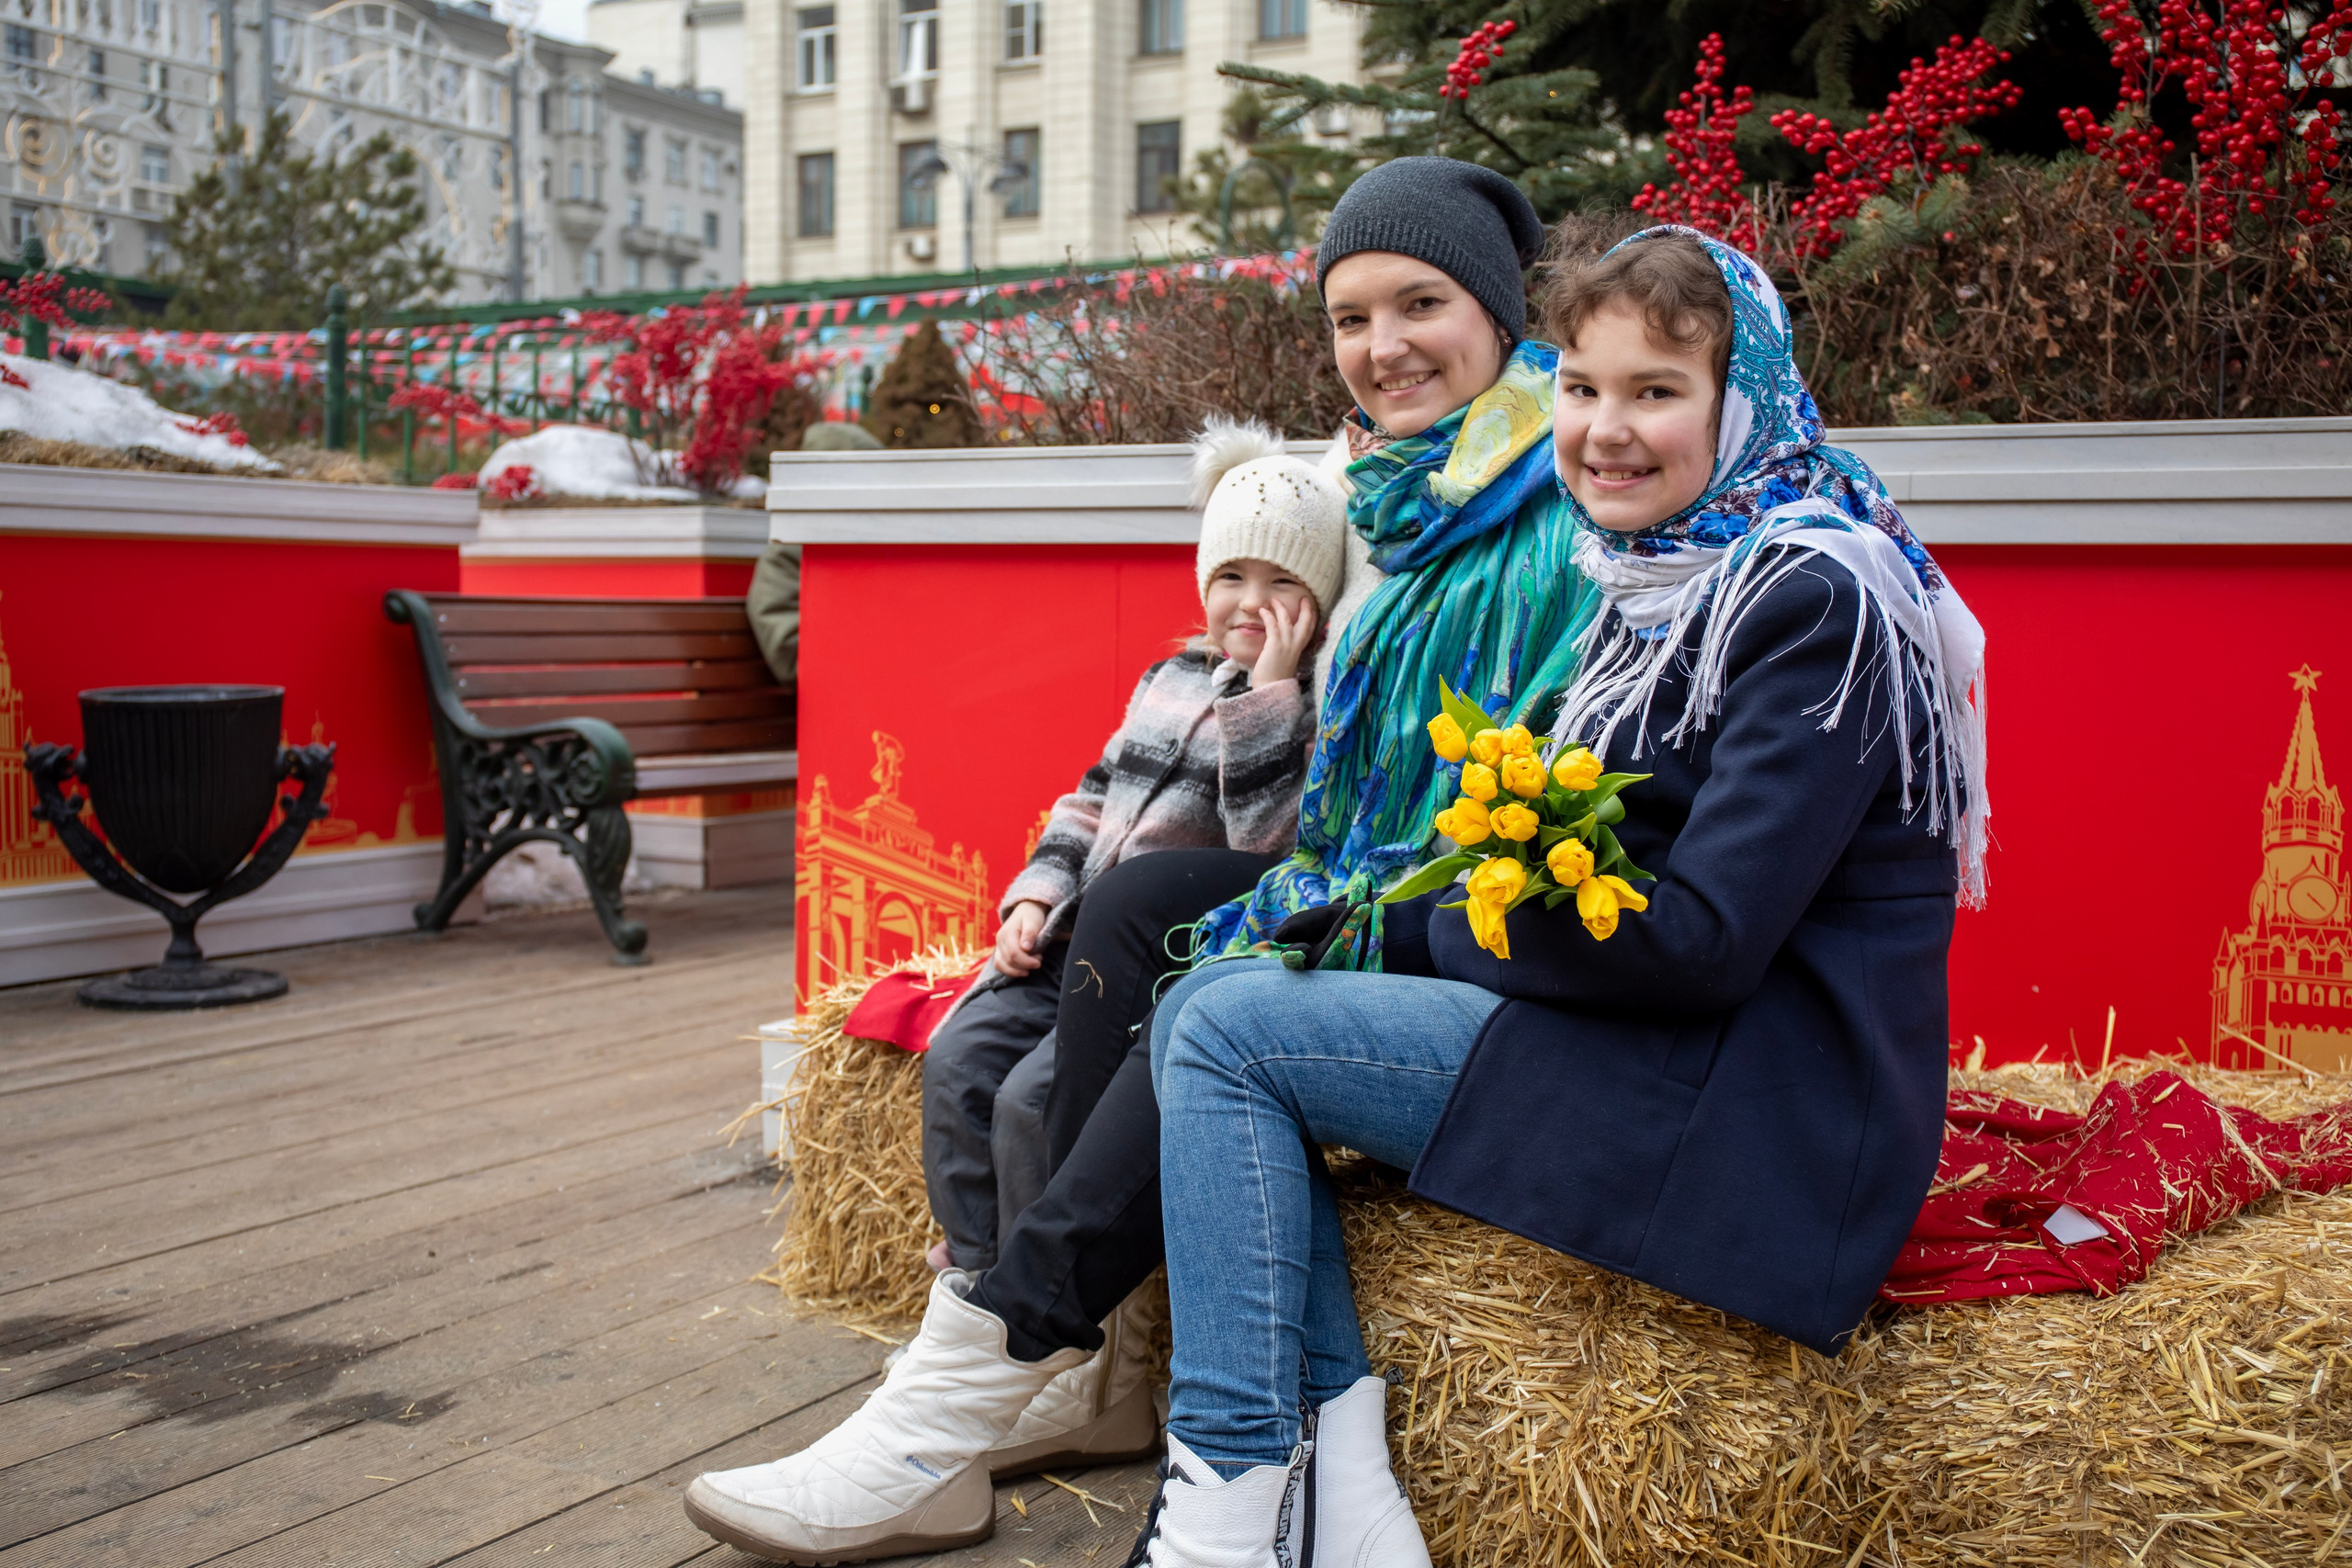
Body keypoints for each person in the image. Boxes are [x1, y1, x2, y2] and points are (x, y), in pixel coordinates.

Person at [682, 156, 1597, 1568]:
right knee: (1138, 903)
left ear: (1494, 307)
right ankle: (1055, 1365)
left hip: (1470, 911)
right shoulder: (1389, 494)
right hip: (1371, 877)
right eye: (1352, 316)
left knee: (1194, 984)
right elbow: (1141, 782)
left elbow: (1427, 796)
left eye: (1421, 302)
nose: (1384, 344)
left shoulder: (1554, 490)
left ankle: (978, 1381)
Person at [1121, 225, 1989, 1566]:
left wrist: (1415, 930)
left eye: (1657, 391)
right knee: (1211, 993)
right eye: (1581, 387)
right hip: (1652, 1043)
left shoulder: (1817, 591)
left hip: (1757, 1099)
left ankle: (1231, 1498)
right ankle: (1344, 1498)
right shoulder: (1663, 576)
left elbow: (1699, 943)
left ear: (1741, 396)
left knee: (1231, 1031)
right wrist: (1389, 922)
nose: (1604, 430)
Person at [920, 418, 1342, 1283]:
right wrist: (1036, 894)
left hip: (1142, 974)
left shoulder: (1303, 709)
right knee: (958, 1060)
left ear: (1321, 600)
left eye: (1283, 582)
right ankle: (973, 1271)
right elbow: (1090, 797)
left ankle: (1036, 1302)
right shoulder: (1170, 679)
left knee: (1028, 1104)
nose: (1250, 602)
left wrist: (1266, 701)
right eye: (1231, 575)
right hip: (1066, 938)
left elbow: (1266, 850)